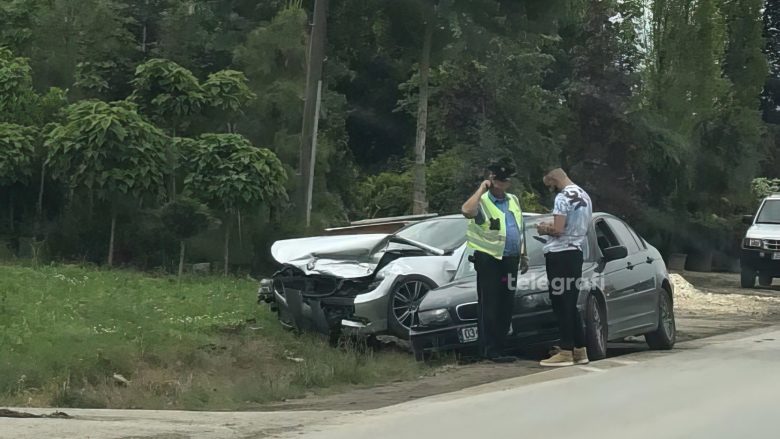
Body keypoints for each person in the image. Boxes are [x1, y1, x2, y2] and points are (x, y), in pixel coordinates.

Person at [461, 158, 529, 363]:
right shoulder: (482, 201)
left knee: (506, 303)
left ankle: (501, 347)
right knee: (490, 304)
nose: (500, 185)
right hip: (489, 259)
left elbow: (519, 226)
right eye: (496, 180)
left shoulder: (513, 200)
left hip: (510, 259)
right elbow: (466, 211)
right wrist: (482, 189)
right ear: (491, 180)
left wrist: (523, 254)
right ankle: (489, 349)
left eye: (504, 181)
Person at [537, 168, 593, 367]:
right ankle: (580, 348)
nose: (550, 189)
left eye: (549, 185)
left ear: (553, 179)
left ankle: (566, 350)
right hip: (576, 252)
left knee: (560, 302)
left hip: (560, 254)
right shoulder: (584, 195)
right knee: (570, 301)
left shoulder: (562, 198)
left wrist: (543, 228)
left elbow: (558, 230)